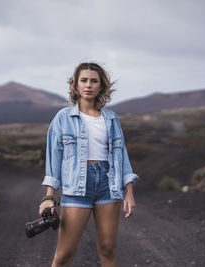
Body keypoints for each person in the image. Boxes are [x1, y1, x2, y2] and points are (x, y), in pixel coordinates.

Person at [39, 62, 139, 267]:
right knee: (64, 254)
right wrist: (49, 196)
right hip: (77, 187)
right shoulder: (63, 118)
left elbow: (122, 156)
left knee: (108, 248)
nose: (88, 85)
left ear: (101, 86)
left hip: (108, 186)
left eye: (94, 81)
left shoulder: (111, 119)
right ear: (75, 85)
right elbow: (54, 159)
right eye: (83, 80)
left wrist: (128, 190)